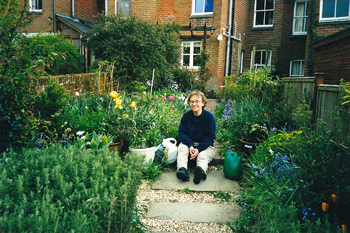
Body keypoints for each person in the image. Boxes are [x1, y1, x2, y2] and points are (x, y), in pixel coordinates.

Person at [176, 90, 216, 184]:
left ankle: (200, 171)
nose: (194, 104)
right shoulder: (186, 116)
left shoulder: (209, 117)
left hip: (206, 146)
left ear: (203, 103)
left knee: (202, 156)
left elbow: (210, 137)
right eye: (192, 101)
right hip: (189, 144)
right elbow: (182, 132)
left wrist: (198, 149)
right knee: (182, 148)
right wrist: (190, 145)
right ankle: (182, 170)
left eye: (197, 101)